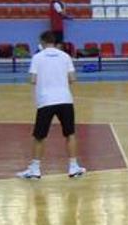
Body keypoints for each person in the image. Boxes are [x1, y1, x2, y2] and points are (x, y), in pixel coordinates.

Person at [17, 31, 86, 180]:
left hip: (46, 101)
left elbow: (32, 80)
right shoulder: (65, 56)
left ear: (42, 42)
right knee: (70, 134)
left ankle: (35, 169)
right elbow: (73, 79)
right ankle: (74, 167)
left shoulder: (37, 57)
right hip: (65, 100)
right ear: (55, 42)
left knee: (39, 137)